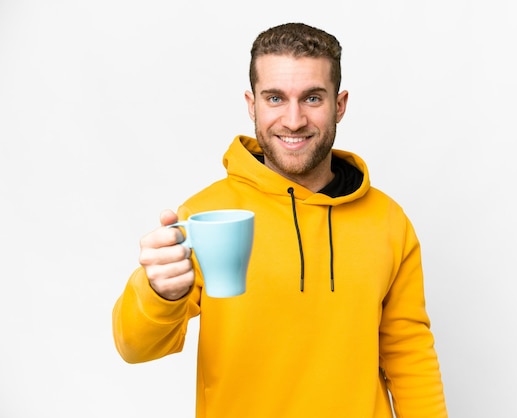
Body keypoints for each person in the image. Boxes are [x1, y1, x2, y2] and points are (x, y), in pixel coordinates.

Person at [112, 22, 447, 417]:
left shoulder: (388, 221)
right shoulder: (206, 217)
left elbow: (409, 354)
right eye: (275, 98)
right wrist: (158, 291)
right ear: (252, 104)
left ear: (339, 105)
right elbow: (135, 347)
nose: (293, 120)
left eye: (312, 98)